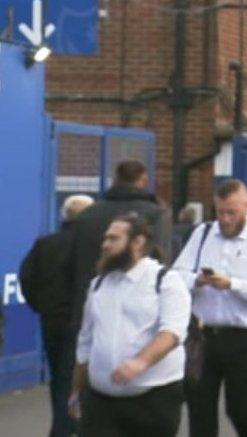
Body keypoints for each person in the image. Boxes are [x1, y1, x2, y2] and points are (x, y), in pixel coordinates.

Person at [173, 179, 247, 437]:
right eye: (220, 211)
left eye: (231, 212)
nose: (224, 219)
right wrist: (196, 280)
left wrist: (233, 284)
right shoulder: (202, 234)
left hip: (243, 338)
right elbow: (176, 274)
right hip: (202, 336)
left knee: (241, 410)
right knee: (199, 409)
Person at [70, 214, 191, 437]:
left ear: (137, 242)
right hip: (100, 402)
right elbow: (86, 341)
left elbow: (172, 333)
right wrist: (76, 389)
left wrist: (140, 362)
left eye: (113, 239)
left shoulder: (166, 281)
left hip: (153, 402)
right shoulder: (98, 285)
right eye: (106, 238)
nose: (105, 245)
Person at [20, 194, 94, 437]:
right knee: (76, 377)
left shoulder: (46, 244)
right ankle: (68, 427)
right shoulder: (92, 247)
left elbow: (27, 277)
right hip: (82, 320)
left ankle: (61, 425)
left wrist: (39, 305)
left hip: (51, 319)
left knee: (58, 377)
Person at [70, 160, 171, 330]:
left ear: (115, 180)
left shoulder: (88, 214)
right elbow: (160, 259)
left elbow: (72, 261)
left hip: (91, 303)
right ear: (143, 181)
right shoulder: (156, 214)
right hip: (139, 311)